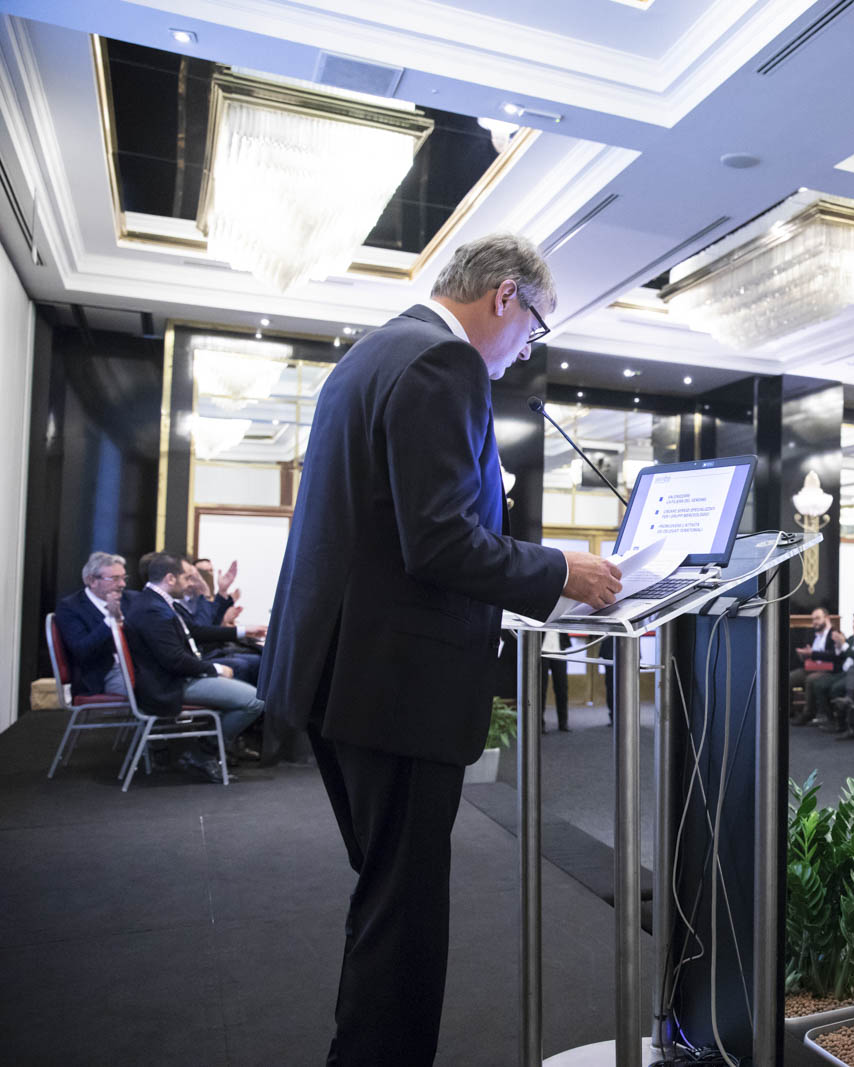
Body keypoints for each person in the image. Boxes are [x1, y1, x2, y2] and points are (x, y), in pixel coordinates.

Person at [256, 233, 622, 1066]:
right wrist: (562, 568)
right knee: (406, 916)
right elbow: (441, 542)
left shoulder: (371, 354)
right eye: (533, 330)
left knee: (386, 898)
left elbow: (387, 528)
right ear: (505, 296)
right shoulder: (442, 363)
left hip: (340, 674)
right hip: (395, 687)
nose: (525, 350)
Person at [123, 553, 268, 782]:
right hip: (169, 685)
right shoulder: (153, 609)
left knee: (246, 678)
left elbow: (196, 631)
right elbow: (174, 660)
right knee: (254, 701)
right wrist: (215, 669)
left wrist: (242, 631)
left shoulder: (157, 602)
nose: (190, 583)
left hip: (176, 677)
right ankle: (204, 753)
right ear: (170, 578)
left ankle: (213, 749)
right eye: (186, 578)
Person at [54, 551, 130, 698]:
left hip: (136, 666)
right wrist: (110, 620)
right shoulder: (71, 607)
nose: (122, 584)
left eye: (123, 578)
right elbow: (81, 649)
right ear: (92, 580)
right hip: (100, 674)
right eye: (115, 579)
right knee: (150, 689)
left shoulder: (130, 599)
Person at [790, 606, 838, 725]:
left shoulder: (835, 634)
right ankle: (789, 712)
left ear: (826, 618)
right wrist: (803, 655)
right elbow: (809, 653)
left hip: (827, 670)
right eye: (813, 619)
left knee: (810, 680)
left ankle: (808, 714)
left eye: (817, 618)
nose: (814, 622)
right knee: (790, 677)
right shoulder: (812, 634)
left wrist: (813, 654)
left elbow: (834, 656)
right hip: (811, 667)